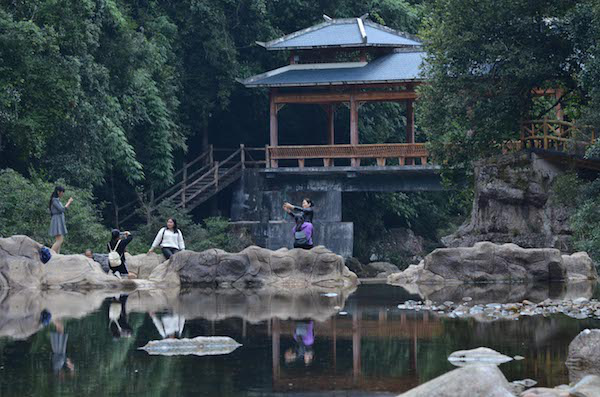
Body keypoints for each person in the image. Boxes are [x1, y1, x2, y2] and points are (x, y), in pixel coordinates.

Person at [48, 186, 74, 254]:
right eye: (62, 192)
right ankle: (50, 254)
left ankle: (57, 255)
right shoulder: (54, 200)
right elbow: (62, 209)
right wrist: (69, 202)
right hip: (57, 221)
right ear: (58, 192)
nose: (62, 194)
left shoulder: (57, 200)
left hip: (59, 220)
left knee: (59, 240)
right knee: (60, 240)